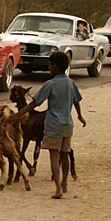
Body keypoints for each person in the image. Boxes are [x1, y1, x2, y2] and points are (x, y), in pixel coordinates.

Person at [10, 52, 86, 199]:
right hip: (67, 124)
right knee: (65, 155)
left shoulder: (50, 84)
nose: (49, 67)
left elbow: (34, 103)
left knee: (54, 156)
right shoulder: (71, 83)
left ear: (55, 67)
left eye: (50, 65)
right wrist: (80, 116)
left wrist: (18, 115)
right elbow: (76, 101)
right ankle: (64, 183)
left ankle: (57, 188)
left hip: (53, 125)